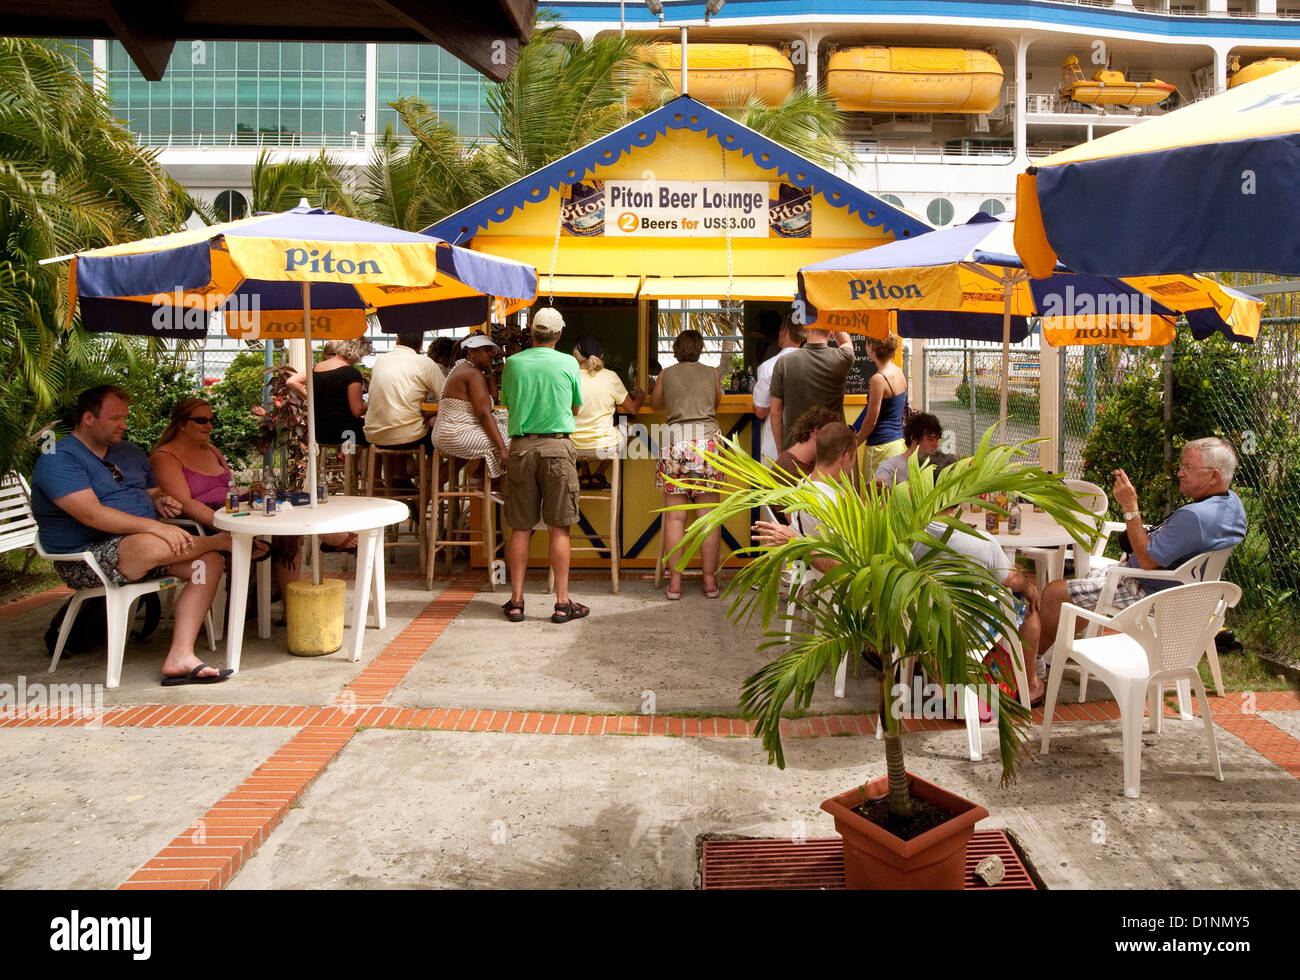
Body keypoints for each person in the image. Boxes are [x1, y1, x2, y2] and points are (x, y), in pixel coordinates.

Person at [29, 386, 231, 686]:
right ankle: (220, 541)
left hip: (147, 550)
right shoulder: (58, 458)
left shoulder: (129, 452)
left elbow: (152, 492)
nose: (124, 424)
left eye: (124, 417)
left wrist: (161, 500)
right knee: (152, 544)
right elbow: (91, 515)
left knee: (209, 564)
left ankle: (181, 656)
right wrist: (156, 526)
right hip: (86, 555)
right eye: (115, 418)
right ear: (88, 418)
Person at [1037, 437, 1248, 669]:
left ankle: (1031, 667)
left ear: (1214, 476)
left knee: (1054, 593)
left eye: (1188, 467)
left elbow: (1147, 560)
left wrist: (1130, 507)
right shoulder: (1232, 505)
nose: (1180, 472)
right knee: (1085, 585)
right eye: (1181, 465)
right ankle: (1054, 652)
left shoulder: (1195, 517)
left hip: (1153, 593)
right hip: (1189, 596)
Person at [150, 398, 354, 607]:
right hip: (208, 520)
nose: (209, 425)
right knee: (281, 528)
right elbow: (185, 504)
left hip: (233, 506)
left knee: (285, 505)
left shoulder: (211, 450)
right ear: (181, 423)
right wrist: (225, 524)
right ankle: (330, 539)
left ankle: (291, 606)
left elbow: (227, 486)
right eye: (201, 420)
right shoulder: (166, 457)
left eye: (211, 420)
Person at [910, 457, 1045, 704]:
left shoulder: (907, 536)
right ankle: (1030, 684)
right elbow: (1010, 580)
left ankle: (921, 666)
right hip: (969, 626)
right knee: (1029, 604)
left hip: (919, 623)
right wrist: (1028, 585)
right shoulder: (979, 541)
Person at [499, 307, 588, 624]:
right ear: (559, 334)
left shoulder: (513, 363)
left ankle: (516, 602)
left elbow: (507, 401)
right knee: (559, 526)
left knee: (520, 527)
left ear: (532, 333)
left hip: (522, 447)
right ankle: (562, 603)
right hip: (557, 446)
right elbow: (576, 406)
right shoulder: (568, 363)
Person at [652, 329, 723, 600]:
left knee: (675, 518)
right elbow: (717, 402)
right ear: (700, 348)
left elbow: (657, 403)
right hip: (708, 445)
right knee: (708, 517)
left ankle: (675, 584)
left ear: (676, 348)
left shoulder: (666, 374)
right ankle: (709, 583)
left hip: (675, 445)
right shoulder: (712, 372)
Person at [750, 422, 859, 576]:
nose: (853, 463)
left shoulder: (804, 485)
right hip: (843, 591)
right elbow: (840, 567)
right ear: (845, 457)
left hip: (818, 582)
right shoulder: (828, 502)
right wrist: (796, 541)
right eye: (854, 457)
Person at [363, 332, 445, 482]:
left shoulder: (381, 361)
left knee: (404, 428)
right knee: (436, 443)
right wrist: (426, 414)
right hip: (407, 437)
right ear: (421, 345)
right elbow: (446, 398)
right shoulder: (425, 363)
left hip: (375, 436)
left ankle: (400, 478)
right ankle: (426, 492)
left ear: (397, 340)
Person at [430, 332, 510, 485]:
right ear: (471, 351)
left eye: (491, 350)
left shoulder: (463, 368)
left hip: (446, 433)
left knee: (499, 434)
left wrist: (489, 373)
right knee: (512, 439)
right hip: (456, 434)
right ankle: (487, 483)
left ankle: (421, 500)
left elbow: (492, 399)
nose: (491, 354)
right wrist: (502, 450)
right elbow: (484, 415)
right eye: (486, 350)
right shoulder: (472, 373)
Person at [571, 334, 644, 489]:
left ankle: (585, 474)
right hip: (604, 446)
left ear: (576, 354)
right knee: (633, 425)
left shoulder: (570, 377)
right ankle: (599, 473)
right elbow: (632, 409)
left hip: (572, 447)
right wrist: (641, 396)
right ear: (602, 355)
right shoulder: (611, 377)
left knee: (580, 424)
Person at [768, 325, 856, 452]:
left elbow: (775, 413)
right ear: (832, 332)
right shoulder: (842, 358)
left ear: (805, 328)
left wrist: (781, 450)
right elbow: (846, 342)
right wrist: (833, 323)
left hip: (796, 448)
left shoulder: (784, 362)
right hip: (833, 449)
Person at [286, 337, 372, 449]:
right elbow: (357, 411)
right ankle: (359, 466)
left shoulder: (316, 368)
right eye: (361, 356)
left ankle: (353, 465)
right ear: (356, 352)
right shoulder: (350, 373)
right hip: (347, 434)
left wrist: (311, 398)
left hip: (321, 433)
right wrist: (373, 401)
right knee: (377, 436)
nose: (359, 360)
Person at [769, 406, 840, 524]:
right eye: (831, 439)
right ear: (816, 433)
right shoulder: (789, 470)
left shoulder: (806, 461)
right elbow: (797, 524)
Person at [752, 316, 803, 464]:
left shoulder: (768, 366)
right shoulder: (814, 364)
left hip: (775, 447)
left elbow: (761, 411)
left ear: (785, 332)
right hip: (807, 444)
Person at [858, 334, 908, 475]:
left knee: (873, 495)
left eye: (867, 343)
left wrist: (855, 443)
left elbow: (871, 420)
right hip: (898, 444)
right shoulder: (898, 371)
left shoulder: (878, 379)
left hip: (880, 447)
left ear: (872, 348)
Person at [874, 411, 943, 489]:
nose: (936, 445)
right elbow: (879, 491)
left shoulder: (936, 465)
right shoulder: (890, 466)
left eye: (937, 439)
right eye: (930, 439)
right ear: (913, 437)